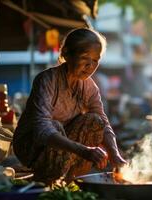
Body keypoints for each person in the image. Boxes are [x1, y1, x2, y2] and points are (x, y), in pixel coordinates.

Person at [13, 28, 127, 184]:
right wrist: (84, 151)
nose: (90, 65)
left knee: (95, 121)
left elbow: (103, 122)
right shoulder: (47, 80)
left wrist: (115, 155)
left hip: (64, 144)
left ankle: (70, 180)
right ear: (66, 53)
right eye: (85, 57)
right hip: (31, 145)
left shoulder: (89, 87)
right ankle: (48, 179)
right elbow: (42, 130)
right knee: (54, 125)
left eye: (95, 60)